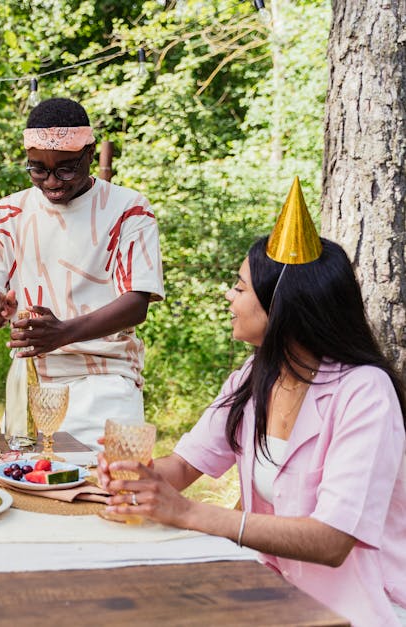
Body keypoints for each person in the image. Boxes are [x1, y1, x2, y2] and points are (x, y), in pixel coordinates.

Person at [98, 181, 405, 625]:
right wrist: (138, 477)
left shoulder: (364, 392)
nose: (229, 296)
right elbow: (183, 467)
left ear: (281, 307)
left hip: (358, 604)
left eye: (240, 288)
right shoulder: (252, 376)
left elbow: (332, 540)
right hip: (271, 586)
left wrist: (187, 513)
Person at [0, 97, 165, 448]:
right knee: (25, 488)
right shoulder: (8, 212)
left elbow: (137, 302)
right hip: (31, 383)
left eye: (65, 168)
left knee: (109, 495)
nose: (52, 182)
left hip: (107, 383)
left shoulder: (129, 209)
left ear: (90, 153)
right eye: (38, 170)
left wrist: (63, 333)